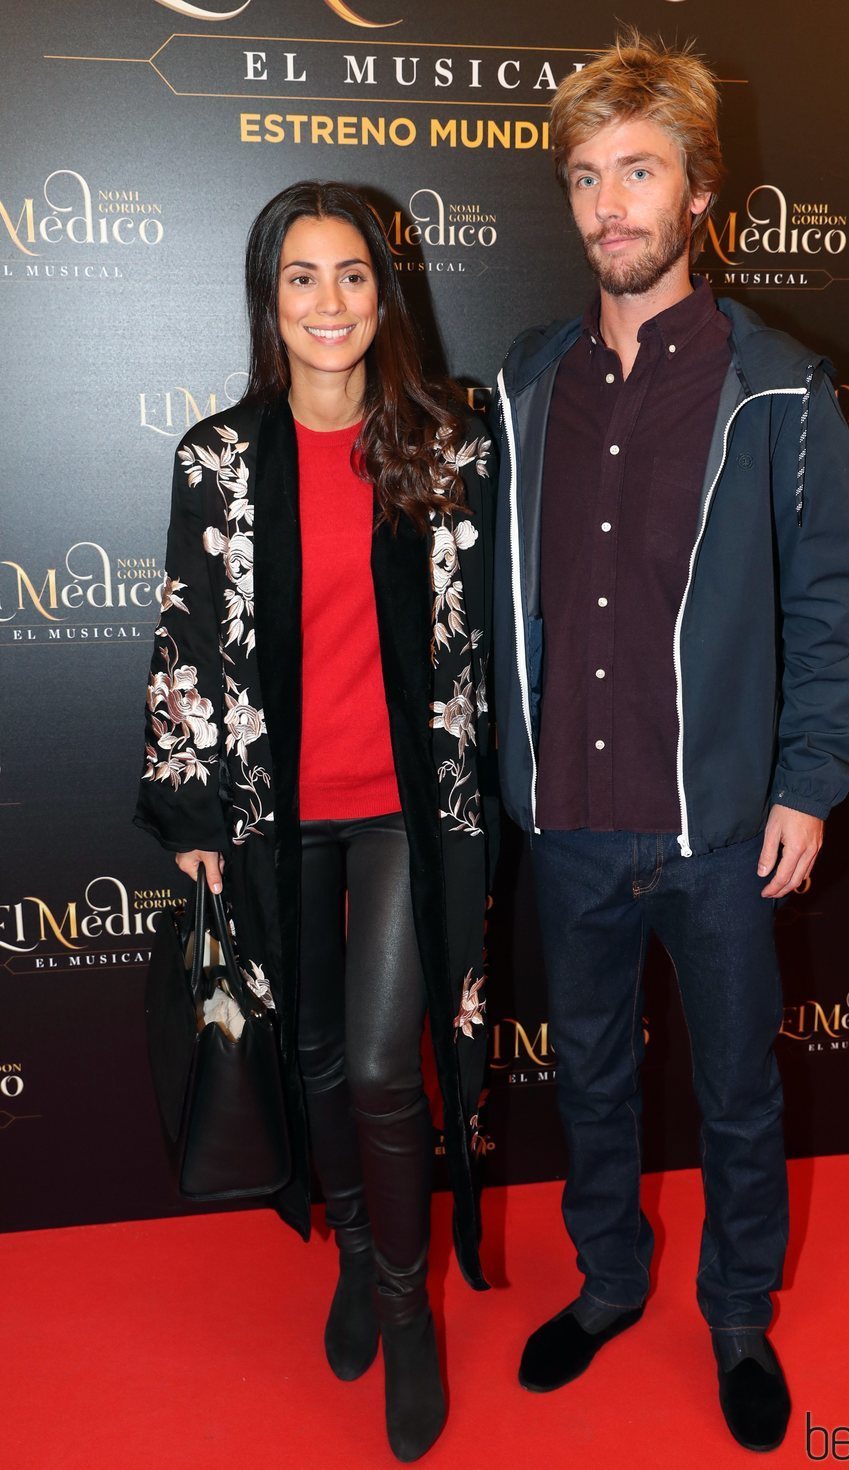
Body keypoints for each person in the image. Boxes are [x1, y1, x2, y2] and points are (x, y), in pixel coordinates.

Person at [492, 33, 849, 1453]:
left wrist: (809, 785)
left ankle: (738, 1315)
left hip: (715, 828)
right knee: (585, 1070)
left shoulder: (779, 387)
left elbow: (826, 600)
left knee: (738, 1088)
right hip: (571, 815)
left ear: (700, 191)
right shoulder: (528, 382)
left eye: (639, 170)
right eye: (587, 176)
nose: (609, 204)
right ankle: (605, 1283)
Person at [135, 180, 496, 1463]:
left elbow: (490, 638)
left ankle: (406, 1315)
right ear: (267, 298)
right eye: (301, 277)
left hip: (409, 804)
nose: (327, 302)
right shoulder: (218, 458)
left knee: (391, 1065)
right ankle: (356, 1250)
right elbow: (184, 631)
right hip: (271, 810)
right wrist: (190, 806)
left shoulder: (449, 444)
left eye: (351, 275)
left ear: (383, 295)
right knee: (322, 1061)